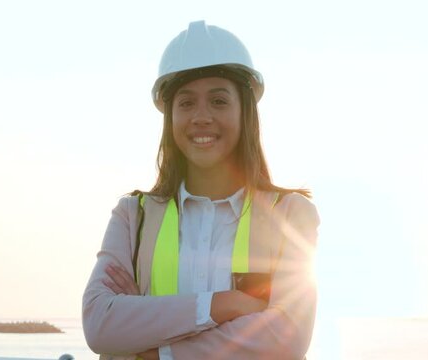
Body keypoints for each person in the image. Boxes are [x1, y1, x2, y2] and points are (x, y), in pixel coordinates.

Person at [82, 20, 320, 360]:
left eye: (219, 101)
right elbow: (100, 324)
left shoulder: (291, 215)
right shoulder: (133, 216)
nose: (201, 117)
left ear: (245, 112)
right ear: (170, 117)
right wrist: (227, 305)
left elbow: (287, 337)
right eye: (186, 102)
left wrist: (154, 348)